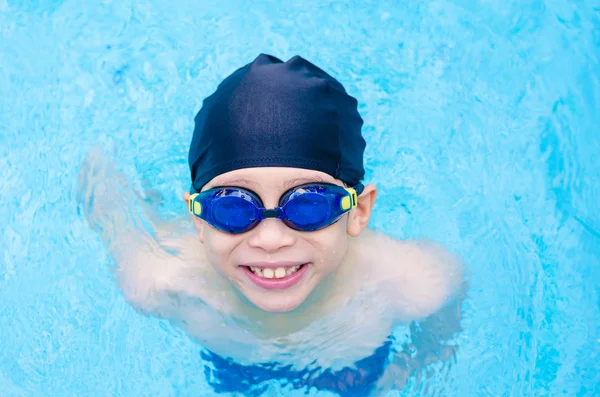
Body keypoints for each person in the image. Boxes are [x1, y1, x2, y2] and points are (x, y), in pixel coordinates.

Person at [78, 53, 466, 396]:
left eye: (309, 205)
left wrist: (414, 373)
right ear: (198, 218)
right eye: (232, 208)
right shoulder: (161, 283)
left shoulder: (415, 283)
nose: (270, 239)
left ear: (358, 211)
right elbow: (108, 200)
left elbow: (437, 345)